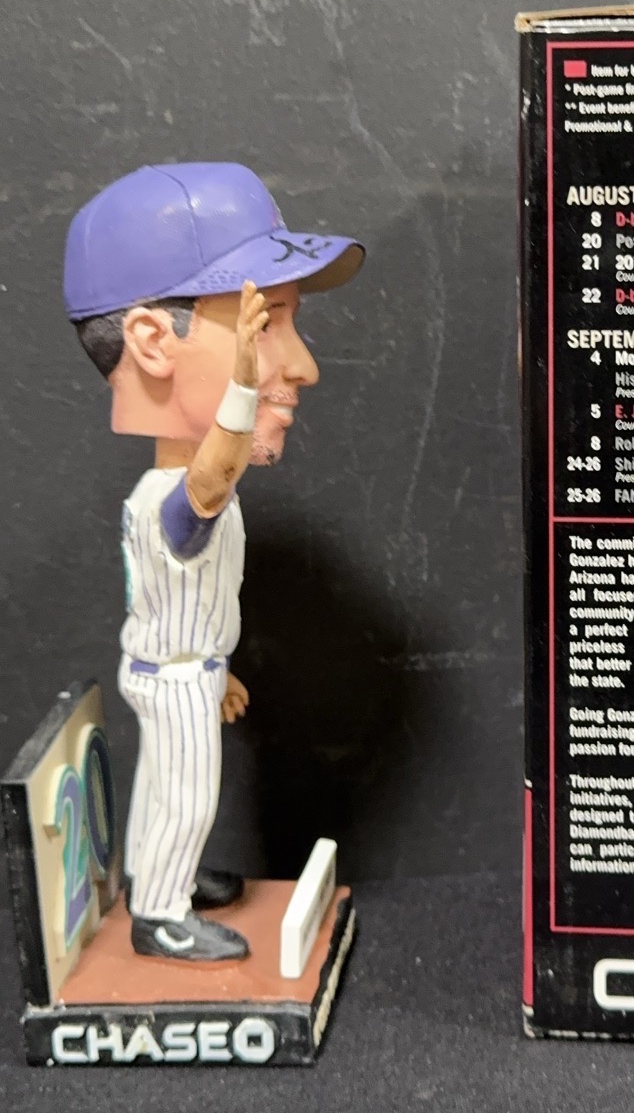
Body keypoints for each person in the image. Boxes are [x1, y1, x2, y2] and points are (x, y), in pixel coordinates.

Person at [64, 163, 363, 961]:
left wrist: (217, 668)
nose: (303, 366)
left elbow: (189, 592)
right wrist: (241, 385)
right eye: (264, 326)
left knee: (172, 789)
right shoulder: (174, 491)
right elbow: (214, 477)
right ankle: (161, 915)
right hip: (172, 673)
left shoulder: (167, 493)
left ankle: (163, 879)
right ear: (152, 341)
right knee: (186, 793)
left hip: (182, 665)